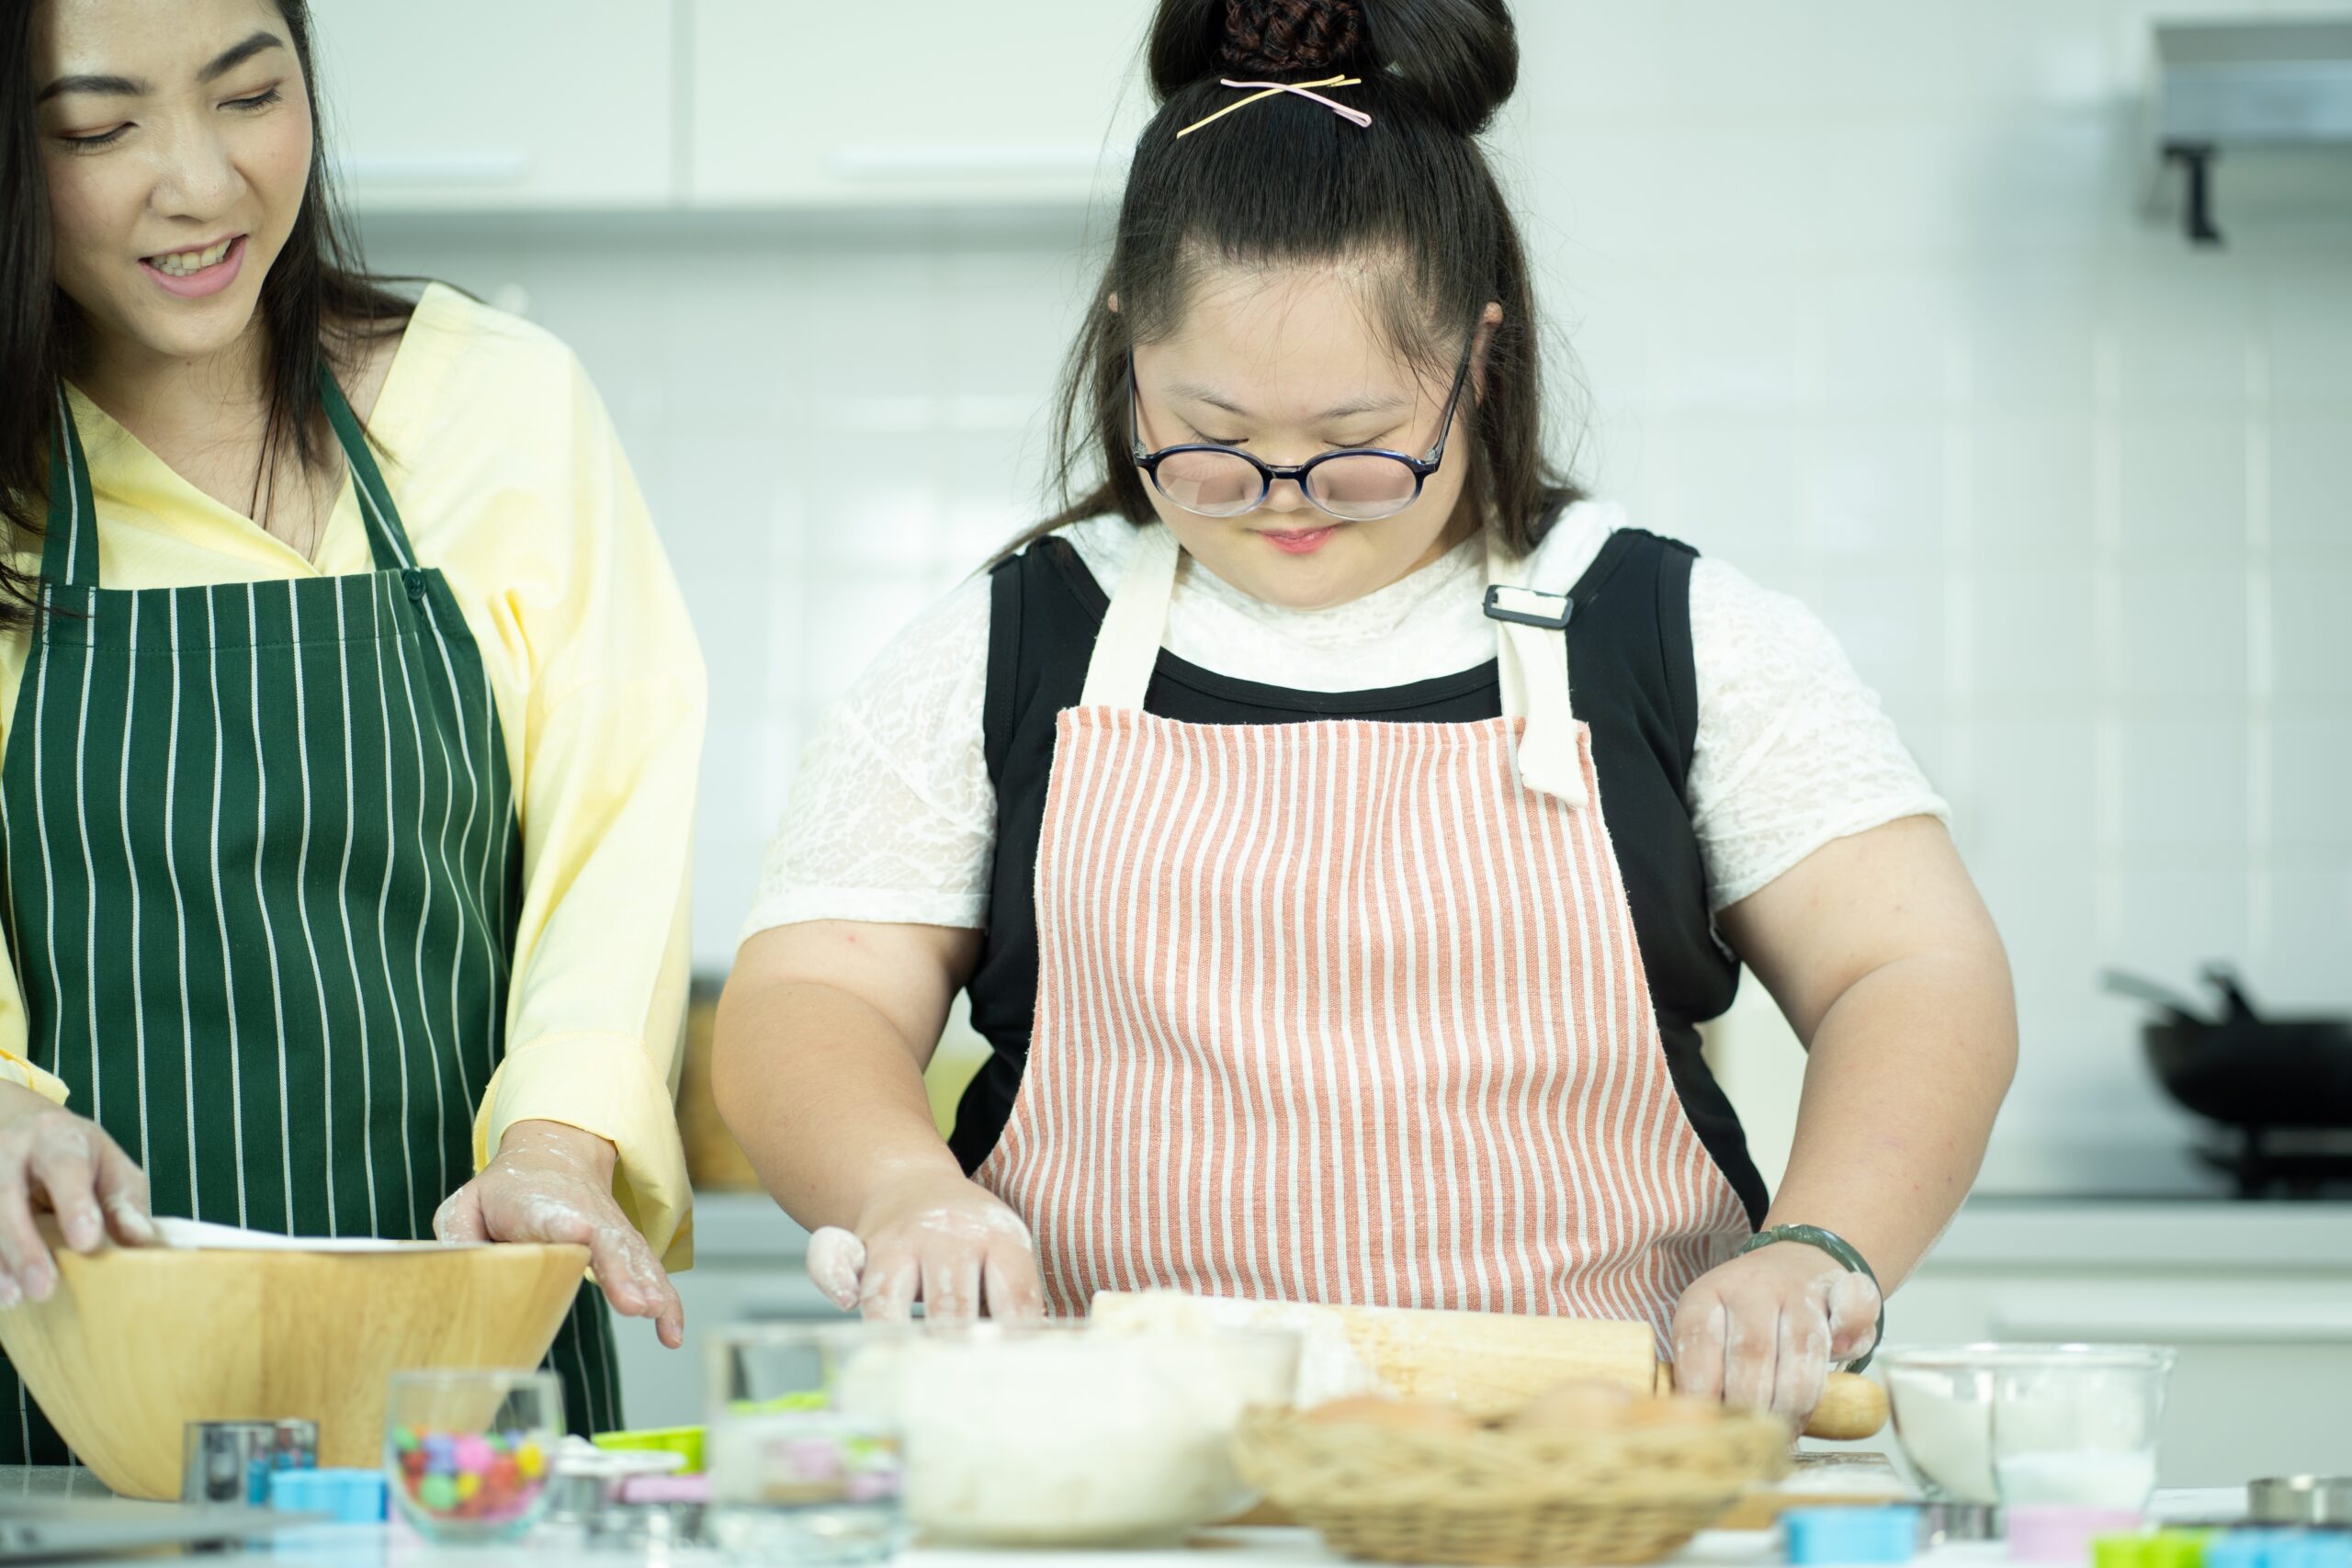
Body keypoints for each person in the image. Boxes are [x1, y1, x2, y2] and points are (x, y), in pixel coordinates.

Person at [716, 0, 2017, 1424]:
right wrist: (905, 1189)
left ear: (1480, 355)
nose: (1284, 505)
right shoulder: (1007, 642)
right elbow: (813, 997)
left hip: (1597, 1471)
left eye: (1356, 451)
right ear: (1122, 346)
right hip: (1116, 1469)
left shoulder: (1673, 634)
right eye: (1207, 443)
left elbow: (1911, 974)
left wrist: (1817, 1247)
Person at [0, 0, 704, 1459]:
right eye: (98, 128)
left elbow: (617, 828)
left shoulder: (498, 404)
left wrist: (558, 1144)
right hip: (66, 1361)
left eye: (251, 96)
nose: (199, 184)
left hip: (466, 1353)